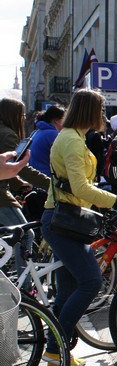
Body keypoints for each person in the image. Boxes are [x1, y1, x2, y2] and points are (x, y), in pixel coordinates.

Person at [40, 89, 117, 366]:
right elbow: (81, 187)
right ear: (90, 111)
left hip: (68, 220)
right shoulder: (71, 140)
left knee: (68, 290)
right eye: (101, 109)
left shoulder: (74, 137)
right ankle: (58, 345)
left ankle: (55, 353)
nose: (104, 116)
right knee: (91, 282)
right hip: (62, 222)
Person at [0, 97, 50, 275]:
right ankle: (25, 285)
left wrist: (20, 185)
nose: (23, 118)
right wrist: (51, 184)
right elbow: (21, 168)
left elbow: (5, 169)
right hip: (1, 197)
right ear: (11, 114)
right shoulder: (7, 134)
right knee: (25, 234)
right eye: (20, 114)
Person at [29, 105, 65, 176]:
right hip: (46, 179)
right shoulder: (53, 134)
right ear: (56, 121)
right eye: (65, 119)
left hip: (35, 176)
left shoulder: (37, 132)